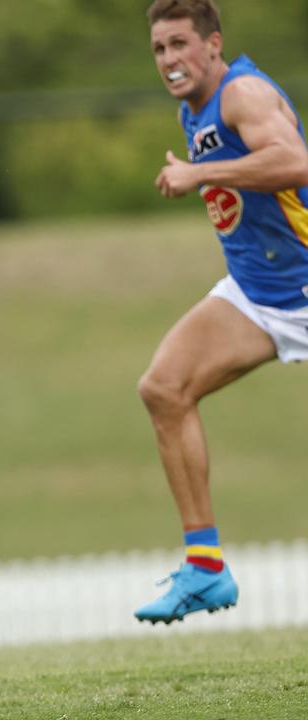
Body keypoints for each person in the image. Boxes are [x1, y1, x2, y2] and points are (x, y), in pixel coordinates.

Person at [135, 0, 308, 624]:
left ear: (214, 45)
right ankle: (205, 568)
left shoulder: (243, 93)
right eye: (159, 49)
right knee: (163, 388)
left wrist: (200, 172)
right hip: (259, 294)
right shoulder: (193, 108)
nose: (170, 60)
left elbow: (294, 161)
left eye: (180, 44)